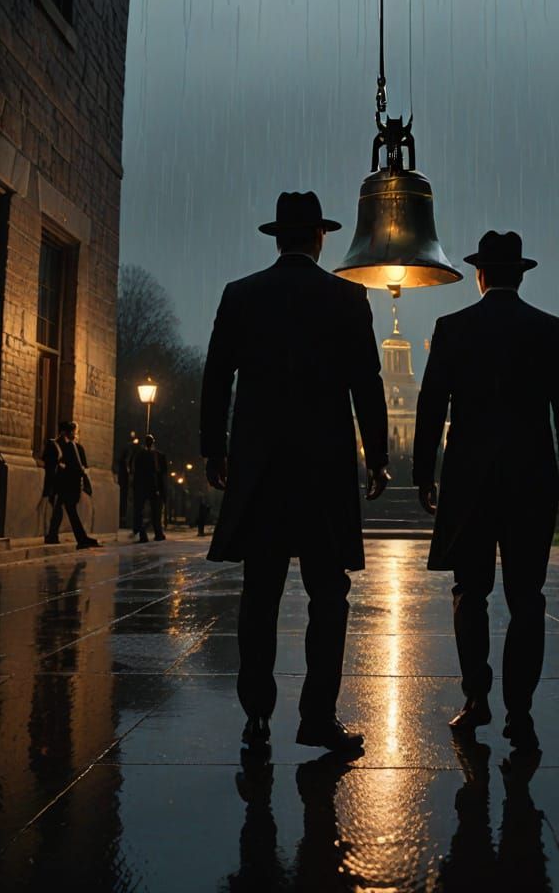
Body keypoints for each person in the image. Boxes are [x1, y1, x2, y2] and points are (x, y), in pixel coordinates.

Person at [201, 191, 389, 755]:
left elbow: (216, 380)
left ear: (277, 238)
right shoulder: (347, 298)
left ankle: (257, 715)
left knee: (259, 595)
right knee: (328, 597)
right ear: (320, 238)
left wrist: (216, 450)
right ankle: (317, 717)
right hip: (324, 472)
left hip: (260, 471)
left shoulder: (242, 296)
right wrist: (376, 457)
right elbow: (367, 385)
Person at [413, 230, 559, 751]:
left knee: (470, 592)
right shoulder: (551, 330)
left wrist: (424, 472)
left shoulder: (453, 328)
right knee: (527, 597)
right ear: (521, 274)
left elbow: (431, 405)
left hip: (470, 479)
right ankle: (520, 712)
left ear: (481, 275)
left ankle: (476, 698)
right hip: (531, 477)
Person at [43, 420, 101, 550]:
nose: (75, 435)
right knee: (67, 510)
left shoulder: (71, 445)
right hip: (66, 484)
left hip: (67, 484)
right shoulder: (63, 445)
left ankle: (60, 536)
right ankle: (79, 538)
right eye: (73, 432)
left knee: (66, 510)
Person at [132, 433, 167, 542]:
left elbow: (135, 470)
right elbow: (162, 474)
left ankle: (144, 533)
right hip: (153, 486)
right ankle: (157, 533)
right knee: (155, 512)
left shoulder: (140, 454)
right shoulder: (158, 455)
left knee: (141, 511)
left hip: (144, 485)